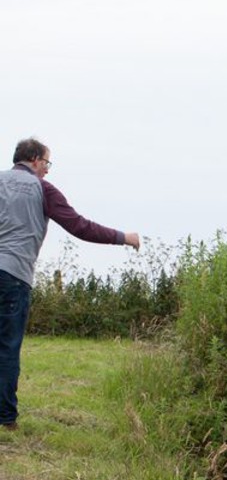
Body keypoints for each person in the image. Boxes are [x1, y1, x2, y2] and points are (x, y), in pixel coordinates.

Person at [0, 137, 140, 429]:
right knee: (7, 347)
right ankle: (6, 418)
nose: (47, 170)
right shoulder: (43, 189)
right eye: (46, 163)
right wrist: (122, 237)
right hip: (13, 275)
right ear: (35, 159)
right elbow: (79, 226)